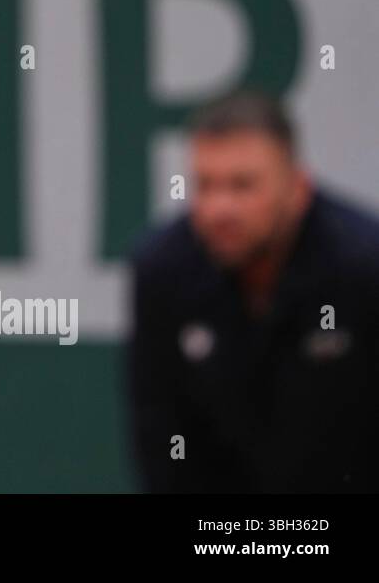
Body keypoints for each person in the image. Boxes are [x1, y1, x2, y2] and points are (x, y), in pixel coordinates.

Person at [127, 90, 379, 492]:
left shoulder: (364, 268)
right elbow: (163, 446)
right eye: (205, 186)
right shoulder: (163, 272)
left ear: (297, 189)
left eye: (242, 186)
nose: (219, 209)